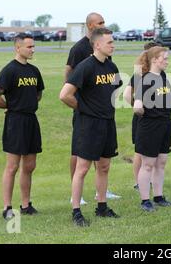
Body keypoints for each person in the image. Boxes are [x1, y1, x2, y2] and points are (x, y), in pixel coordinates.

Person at [60, 28, 122, 227]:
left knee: (104, 166)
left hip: (107, 123)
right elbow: (65, 95)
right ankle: (76, 211)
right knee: (83, 168)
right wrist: (84, 108)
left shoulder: (112, 67)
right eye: (109, 42)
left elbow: (114, 90)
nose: (113, 45)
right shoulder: (85, 66)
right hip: (88, 124)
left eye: (113, 42)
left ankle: (102, 206)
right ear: (97, 45)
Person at [0, 33, 44, 220]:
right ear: (17, 48)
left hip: (31, 121)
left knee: (29, 165)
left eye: (33, 46)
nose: (32, 50)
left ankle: (26, 204)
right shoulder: (9, 70)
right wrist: (11, 106)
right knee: (12, 167)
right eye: (29, 47)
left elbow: (38, 94)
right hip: (15, 122)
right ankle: (7, 207)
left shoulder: (34, 71)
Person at [133, 46, 171, 212]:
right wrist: (147, 114)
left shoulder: (163, 77)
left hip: (165, 123)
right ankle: (145, 200)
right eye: (164, 58)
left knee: (161, 162)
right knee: (148, 164)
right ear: (154, 60)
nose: (167, 61)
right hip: (150, 126)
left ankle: (158, 196)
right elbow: (137, 106)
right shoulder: (146, 79)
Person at [123, 42, 160, 190]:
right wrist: (137, 106)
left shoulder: (157, 72)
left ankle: (147, 180)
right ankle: (139, 182)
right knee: (140, 151)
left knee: (151, 151)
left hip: (157, 117)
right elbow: (126, 95)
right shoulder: (140, 73)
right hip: (143, 117)